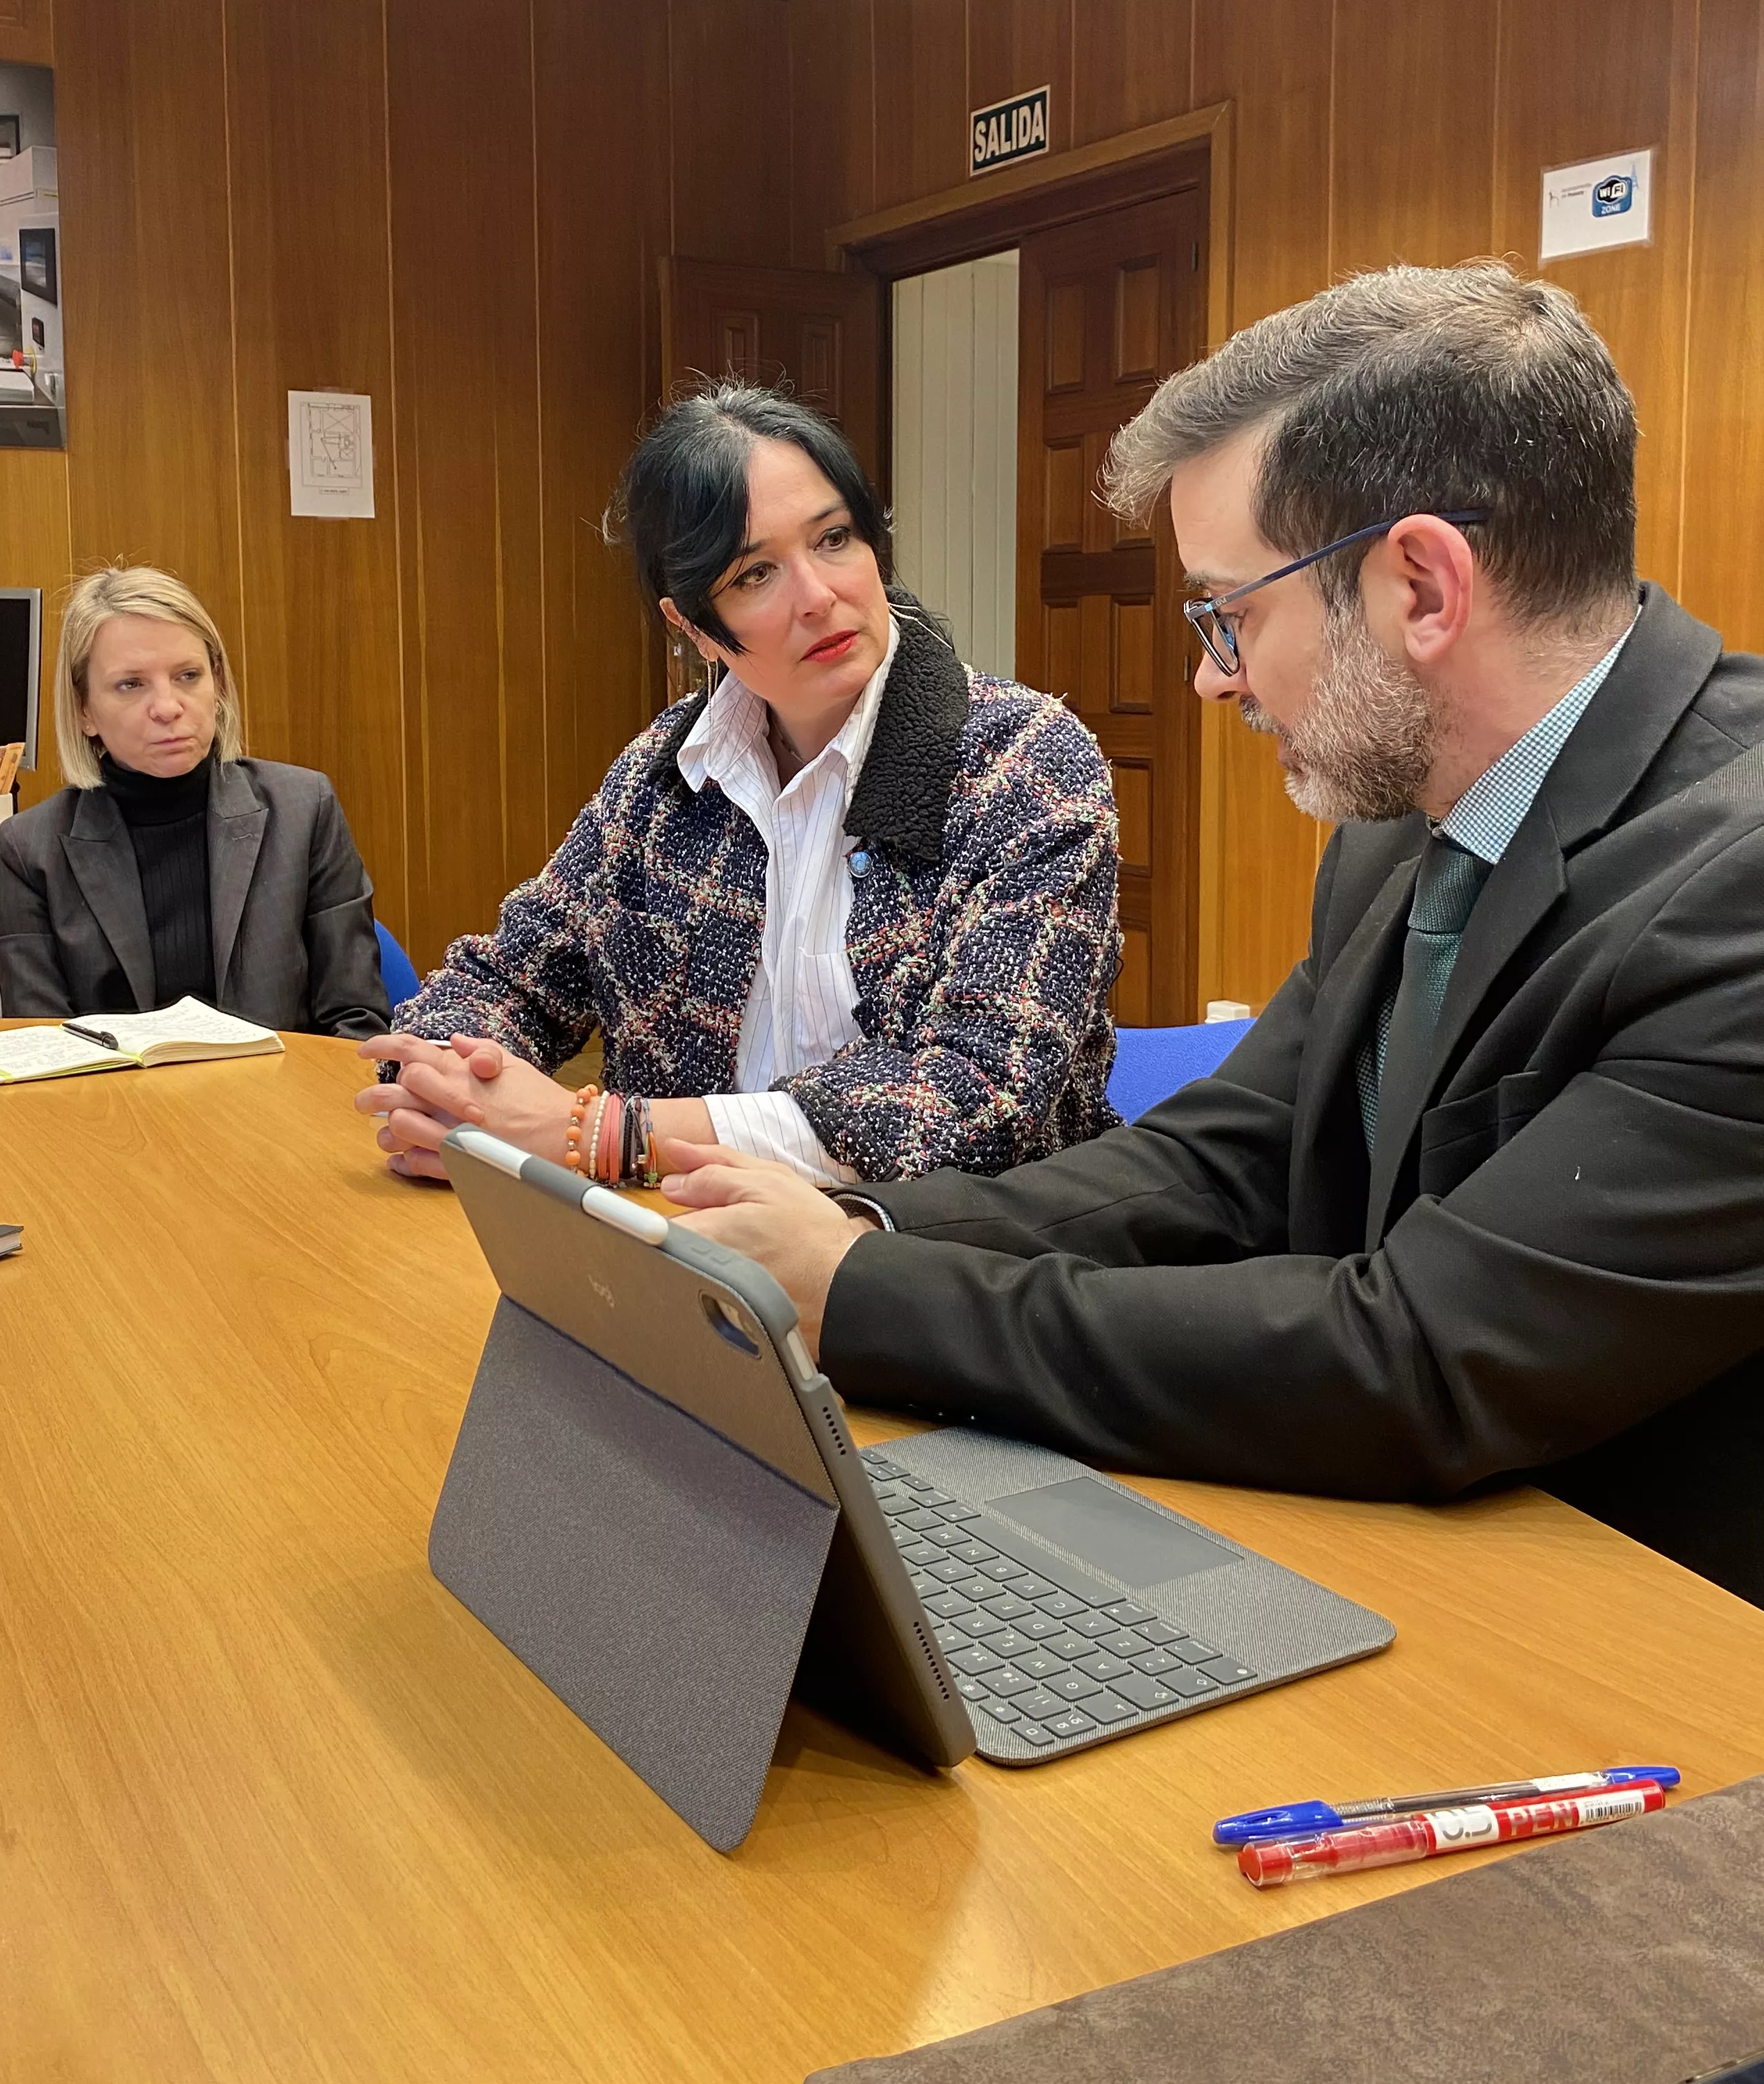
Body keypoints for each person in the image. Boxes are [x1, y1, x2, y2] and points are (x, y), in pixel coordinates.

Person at [659, 264, 1764, 1604]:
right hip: (1409, 1558)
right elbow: (1216, 1163)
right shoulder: (1397, 825)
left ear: (1419, 585)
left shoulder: (1733, 887)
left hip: (1643, 1659)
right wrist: (850, 1224)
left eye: (1228, 612)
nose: (1209, 675)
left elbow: (1415, 1353)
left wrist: (871, 1294)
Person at [362, 383, 1121, 1188]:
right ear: (691, 626)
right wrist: (447, 1085)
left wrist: (609, 1135)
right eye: (756, 574)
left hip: (943, 1272)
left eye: (834, 539)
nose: (820, 597)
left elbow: (971, 1102)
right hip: (678, 1251)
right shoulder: (667, 770)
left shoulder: (1025, 762)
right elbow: (511, 977)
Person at [0, 566, 390, 1040]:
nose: (167, 707)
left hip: (277, 1102)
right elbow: (41, 1046)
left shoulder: (303, 809)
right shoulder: (31, 849)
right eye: (131, 684)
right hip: (117, 1107)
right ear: (84, 710)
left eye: (188, 675)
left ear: (218, 685)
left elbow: (357, 1022)